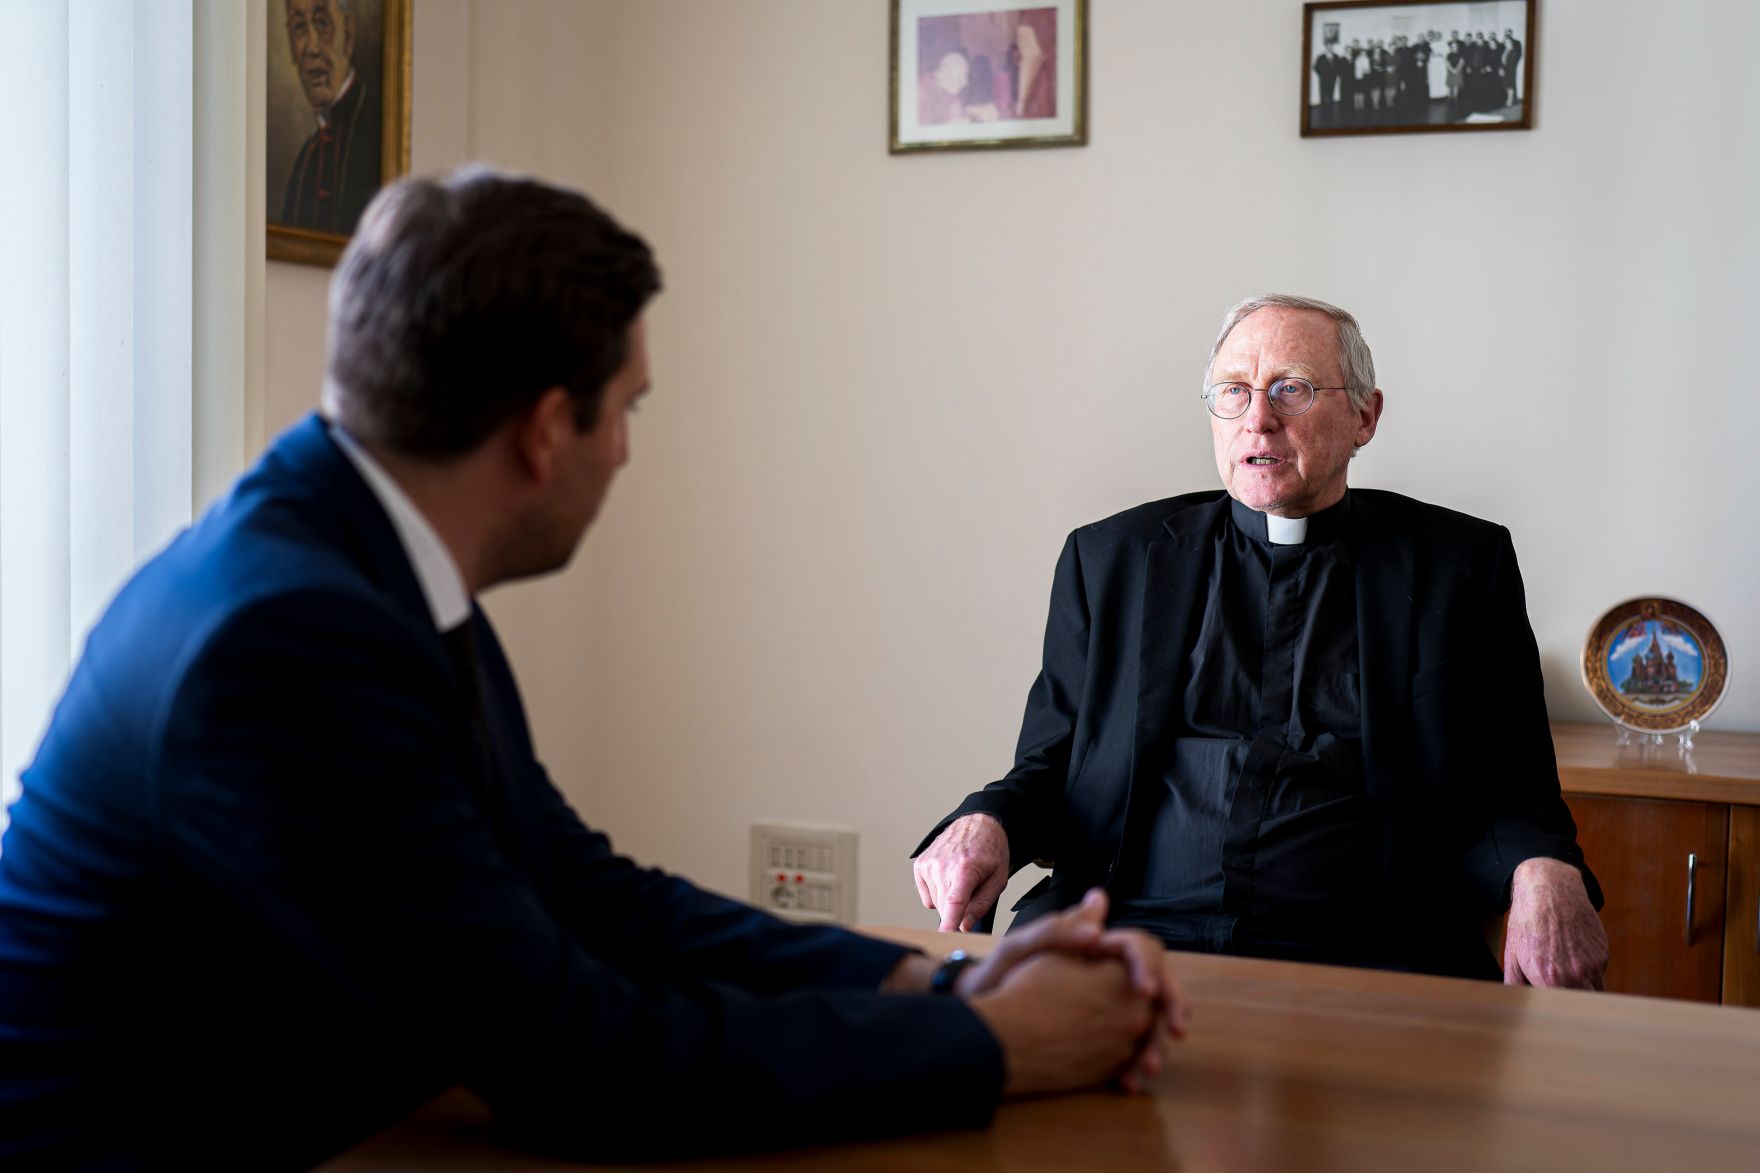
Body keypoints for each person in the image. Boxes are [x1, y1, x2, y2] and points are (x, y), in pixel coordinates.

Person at [0, 171, 1185, 1169]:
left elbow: (576, 887)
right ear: (543, 428)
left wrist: (937, 988)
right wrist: (1004, 1048)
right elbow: (580, 1061)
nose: (625, 453)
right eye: (628, 410)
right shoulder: (285, 638)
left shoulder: (356, 552)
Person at [912, 294, 1609, 989]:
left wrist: (1545, 868)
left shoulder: (1458, 567)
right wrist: (986, 820)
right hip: (1128, 923)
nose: (1258, 418)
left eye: (1292, 389)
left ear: (1365, 416)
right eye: (1233, 392)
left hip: (1369, 943)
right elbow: (1053, 761)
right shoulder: (1112, 560)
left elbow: (1514, 778)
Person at [279, 0, 380, 235]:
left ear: (348, 35)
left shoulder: (378, 136)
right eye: (299, 27)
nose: (312, 48)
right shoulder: (306, 159)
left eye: (322, 23)